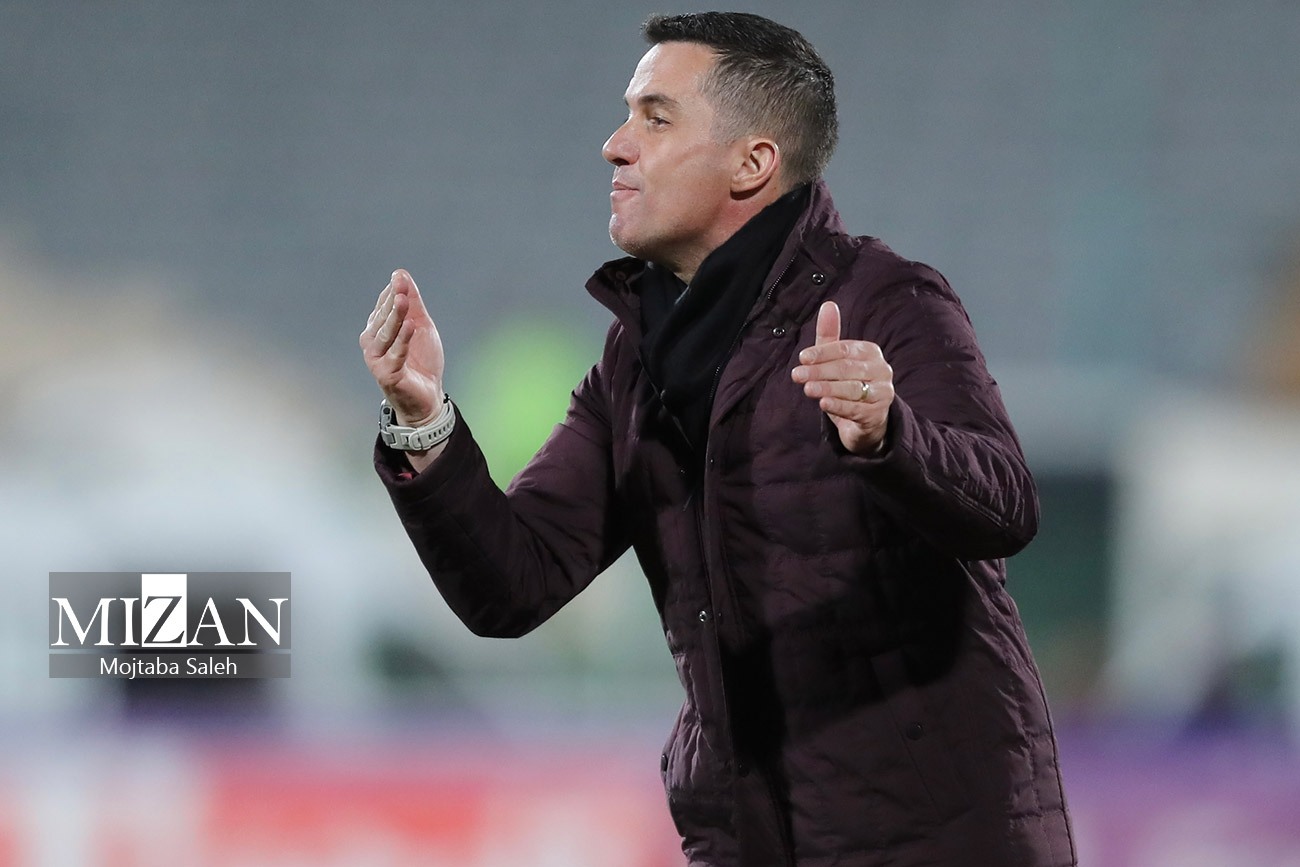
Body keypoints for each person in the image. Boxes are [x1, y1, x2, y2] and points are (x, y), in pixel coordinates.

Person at [360, 11, 1075, 867]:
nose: (615, 145)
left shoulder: (887, 300)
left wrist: (890, 435)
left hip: (936, 839)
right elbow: (513, 584)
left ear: (752, 162)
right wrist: (423, 417)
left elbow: (1006, 507)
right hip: (750, 838)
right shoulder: (636, 359)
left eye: (656, 118)